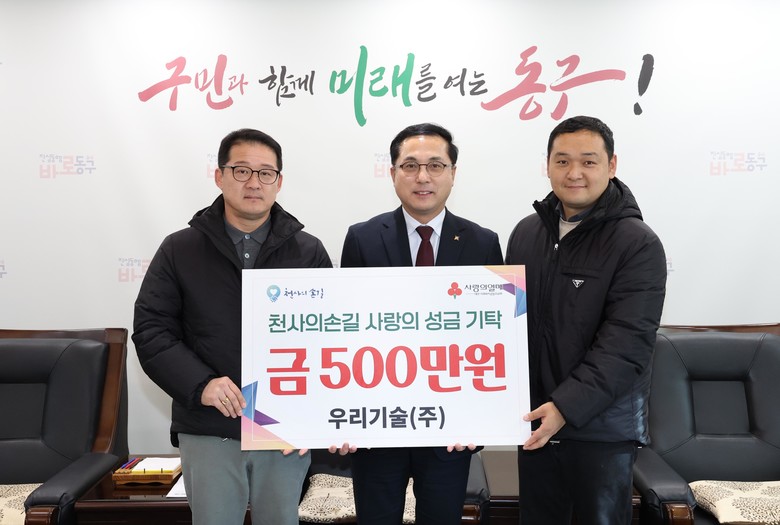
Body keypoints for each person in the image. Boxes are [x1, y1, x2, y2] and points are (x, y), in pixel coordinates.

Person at [133, 128, 332, 525]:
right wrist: (201, 384)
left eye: (266, 173)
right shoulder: (179, 249)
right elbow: (152, 330)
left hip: (284, 428)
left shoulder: (308, 251)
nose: (254, 183)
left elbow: (331, 337)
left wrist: (314, 417)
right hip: (209, 425)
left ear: (279, 182)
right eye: (241, 171)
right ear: (219, 176)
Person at [337, 123, 503, 525]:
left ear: (453, 173)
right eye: (410, 165)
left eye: (435, 165)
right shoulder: (362, 238)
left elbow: (495, 338)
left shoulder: (483, 242)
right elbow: (345, 334)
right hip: (377, 424)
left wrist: (481, 422)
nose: (423, 177)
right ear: (393, 172)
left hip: (450, 428)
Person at [505, 115, 667, 525]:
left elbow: (626, 346)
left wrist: (564, 407)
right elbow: (508, 327)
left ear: (611, 166)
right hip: (535, 425)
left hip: (601, 432)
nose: (574, 172)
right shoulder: (526, 233)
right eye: (562, 161)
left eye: (588, 161)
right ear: (547, 165)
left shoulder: (637, 243)